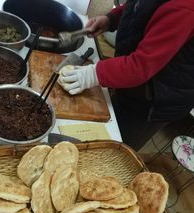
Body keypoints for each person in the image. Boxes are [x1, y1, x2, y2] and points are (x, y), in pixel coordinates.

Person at [58, 0, 194, 151]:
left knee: (112, 147)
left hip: (157, 99)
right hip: (136, 81)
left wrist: (93, 74)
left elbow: (140, 67)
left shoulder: (184, 8)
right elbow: (140, 7)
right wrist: (111, 19)